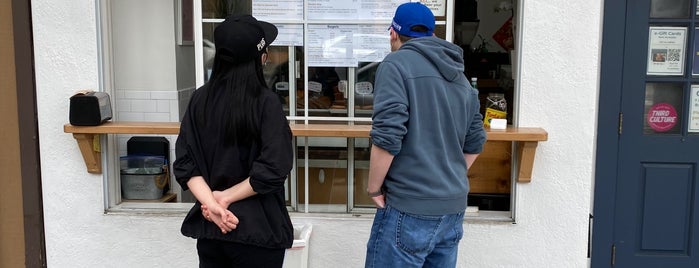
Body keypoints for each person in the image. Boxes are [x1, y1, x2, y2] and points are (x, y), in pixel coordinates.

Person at [364, 3, 487, 268]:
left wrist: (374, 187)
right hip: (451, 210)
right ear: (432, 34)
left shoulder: (395, 65)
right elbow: (475, 142)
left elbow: (387, 137)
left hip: (409, 207)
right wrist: (445, 175)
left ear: (393, 34)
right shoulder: (460, 76)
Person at [173, 15, 294, 267]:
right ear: (260, 58)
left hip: (213, 230)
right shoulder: (265, 103)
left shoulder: (199, 100)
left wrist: (211, 204)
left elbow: (185, 163)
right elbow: (273, 168)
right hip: (257, 232)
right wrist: (222, 200)